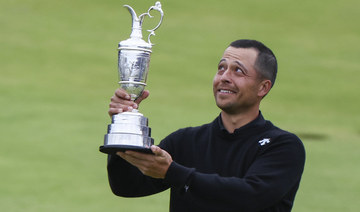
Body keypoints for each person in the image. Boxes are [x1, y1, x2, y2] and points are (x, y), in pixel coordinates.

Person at [106, 39, 306, 212]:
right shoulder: (186, 141)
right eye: (221, 67)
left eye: (238, 70)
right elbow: (126, 186)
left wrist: (173, 173)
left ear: (263, 87)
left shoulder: (283, 146)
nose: (225, 77)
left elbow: (250, 196)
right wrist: (122, 124)